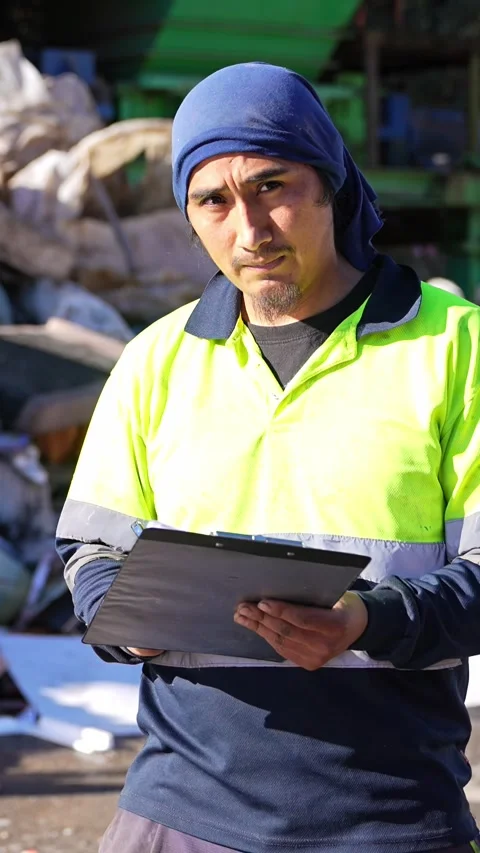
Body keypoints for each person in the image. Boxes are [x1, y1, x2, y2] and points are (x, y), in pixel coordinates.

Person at [56, 62, 480, 853]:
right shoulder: (156, 360)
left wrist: (364, 621)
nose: (248, 231)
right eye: (213, 200)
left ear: (329, 183)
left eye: (271, 186)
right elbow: (90, 547)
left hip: (388, 820)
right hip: (176, 816)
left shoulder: (456, 349)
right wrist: (130, 618)